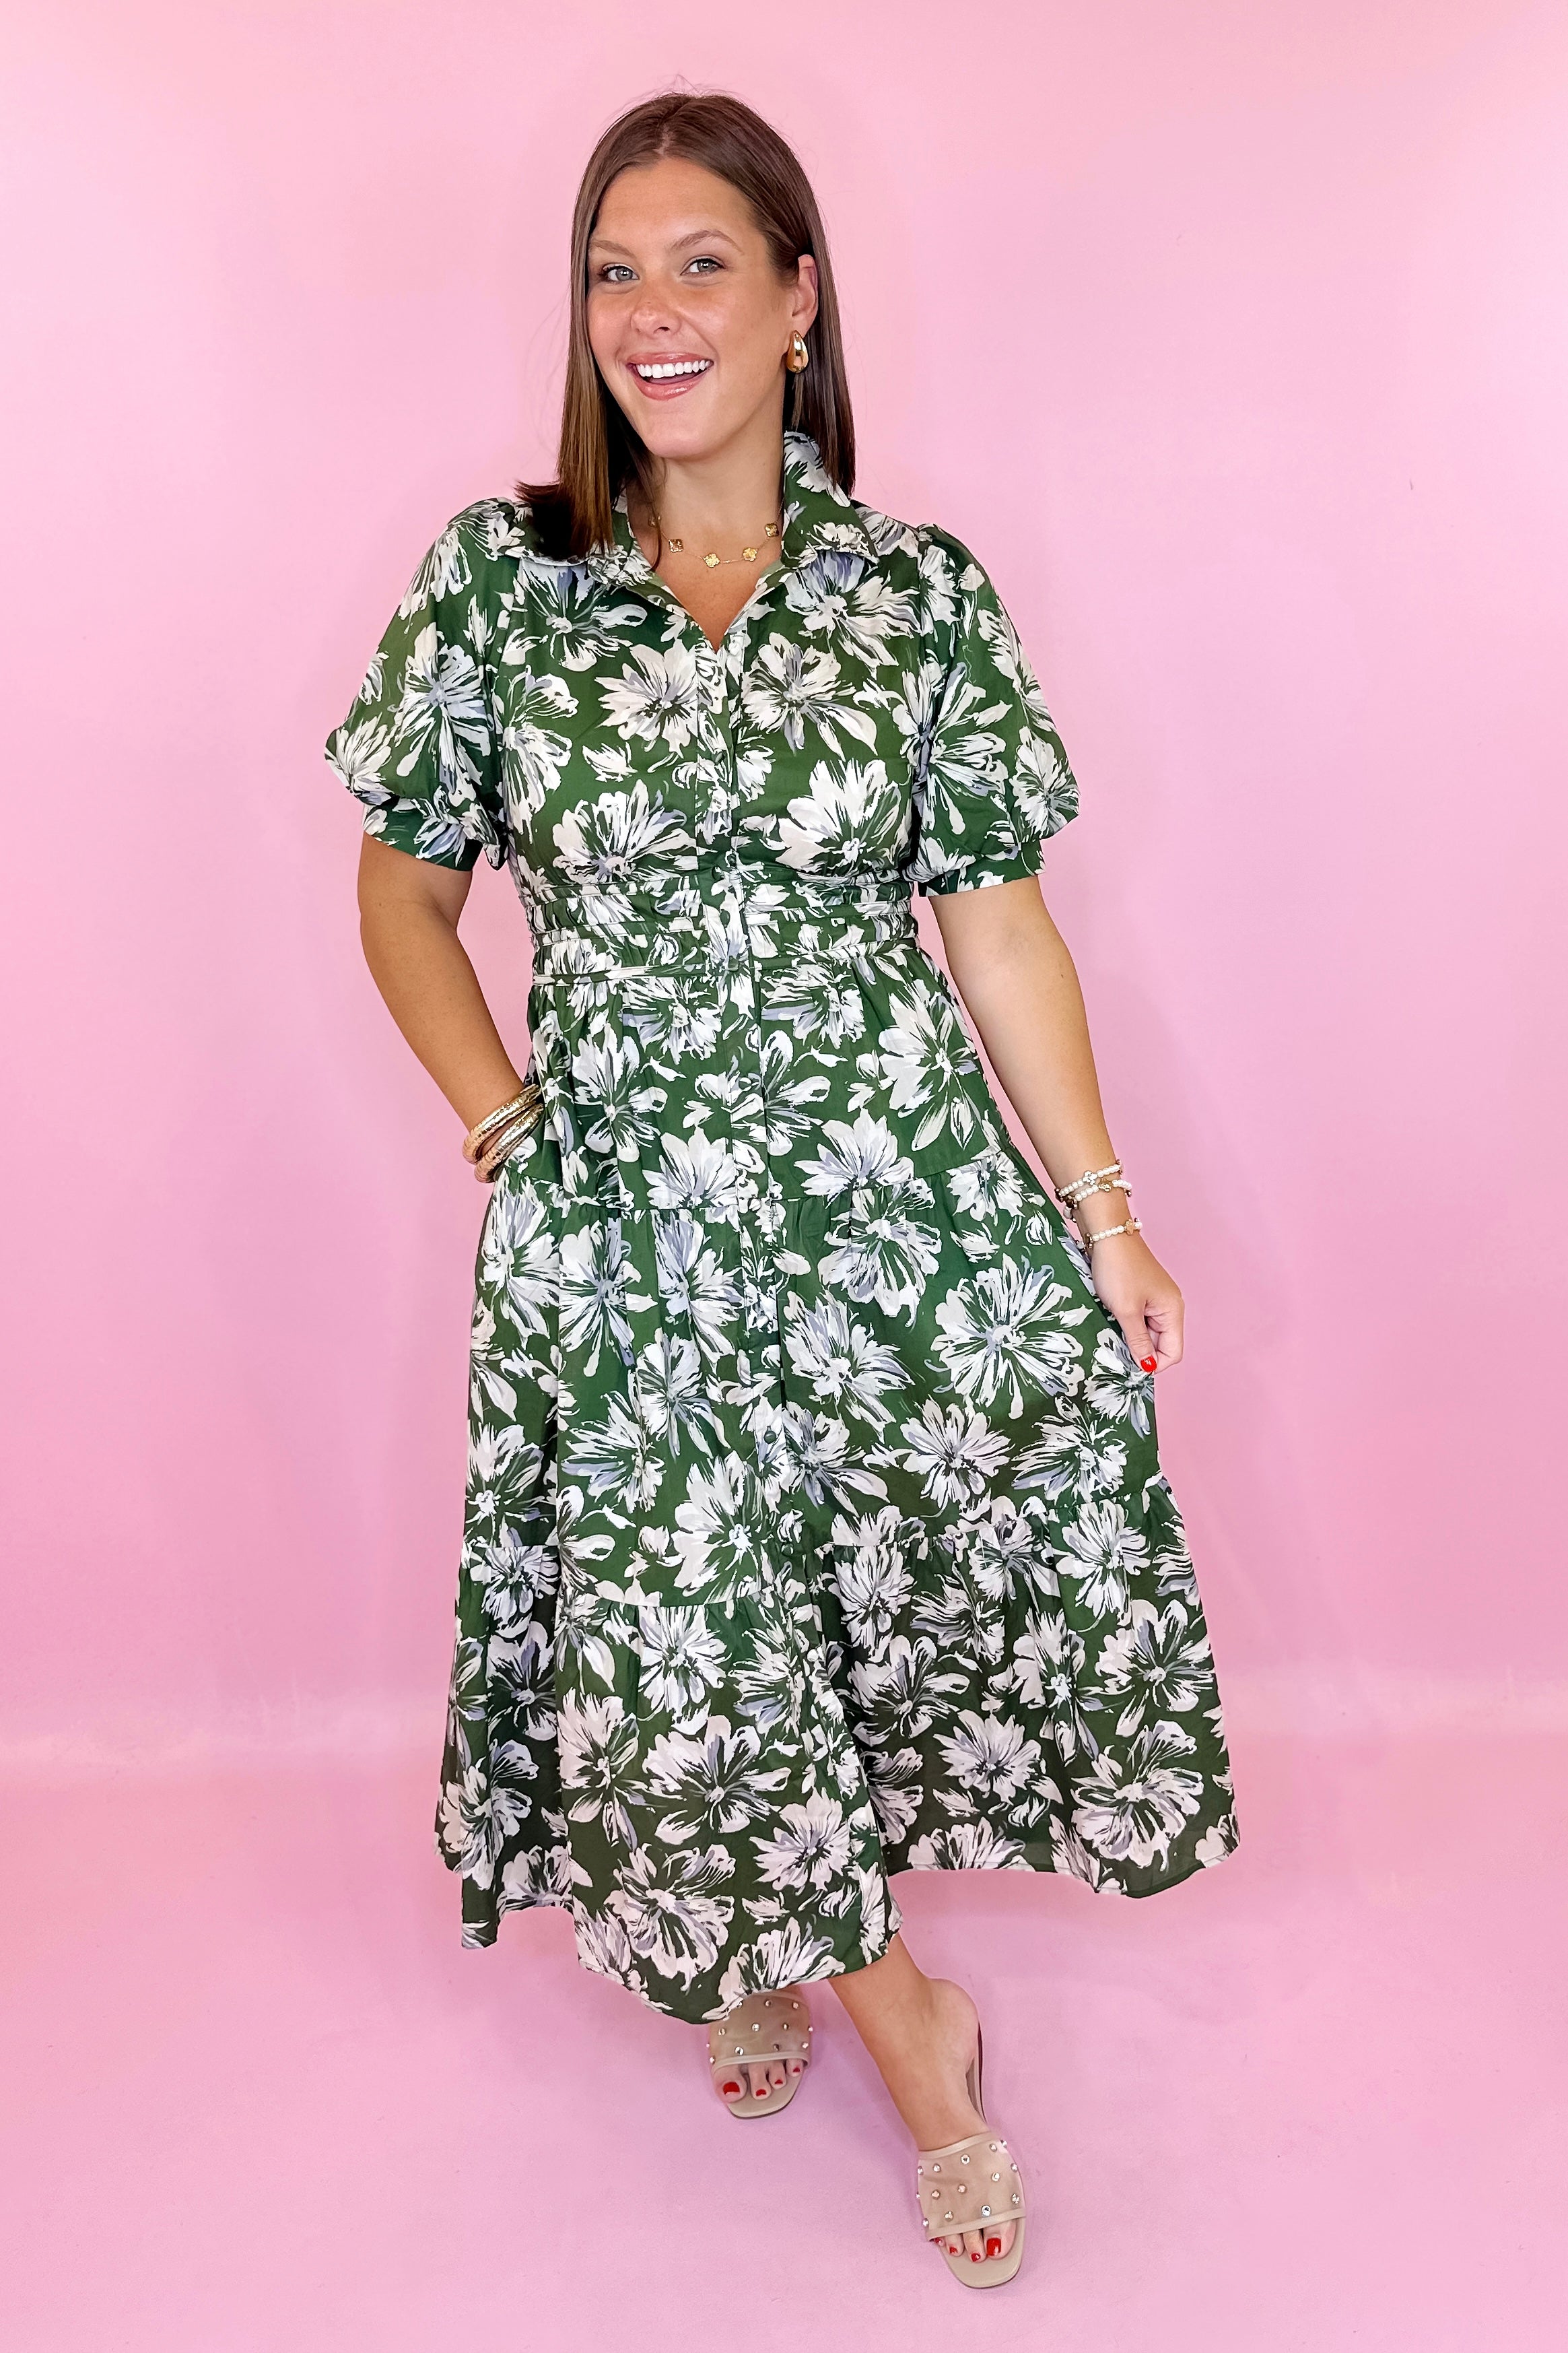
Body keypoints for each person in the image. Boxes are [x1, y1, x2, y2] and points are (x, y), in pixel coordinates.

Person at [325, 88, 1239, 2288]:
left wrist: (1103, 1209)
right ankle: (912, 2031)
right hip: (623, 1228)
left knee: (843, 1602)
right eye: (612, 270)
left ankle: (758, 1943)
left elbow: (994, 928)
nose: (650, 310)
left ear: (799, 299)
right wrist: (507, 1122)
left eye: (701, 263)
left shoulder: (913, 594)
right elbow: (398, 894)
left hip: (892, 1210)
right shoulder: (504, 580)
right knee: (692, 1635)